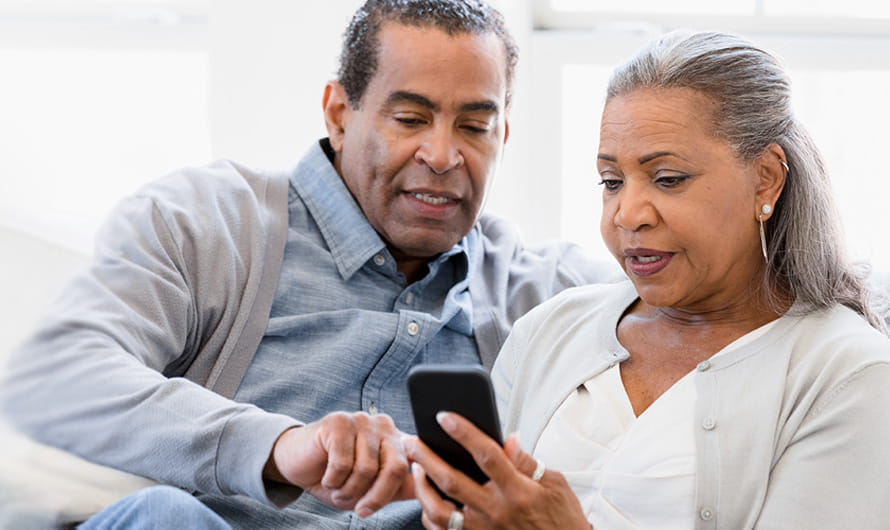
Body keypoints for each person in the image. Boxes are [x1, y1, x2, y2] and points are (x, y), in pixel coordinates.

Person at [0, 1, 618, 528]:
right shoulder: (208, 221)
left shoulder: (546, 291)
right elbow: (62, 378)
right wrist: (276, 445)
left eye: (475, 126)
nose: (442, 154)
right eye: (409, 119)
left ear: (503, 135)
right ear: (337, 113)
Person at [406, 30, 890, 529]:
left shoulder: (850, 377)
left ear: (766, 177)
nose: (627, 214)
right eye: (611, 182)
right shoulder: (548, 331)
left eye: (668, 179)